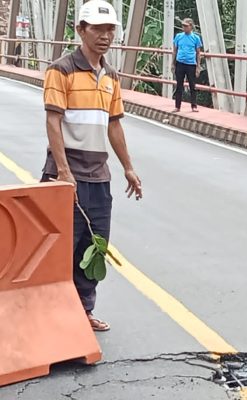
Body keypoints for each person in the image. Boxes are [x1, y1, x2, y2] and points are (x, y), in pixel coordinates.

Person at [41, 0, 143, 332]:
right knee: (59, 250)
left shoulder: (111, 76)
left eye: (110, 29)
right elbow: (53, 120)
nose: (105, 36)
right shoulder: (61, 70)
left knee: (95, 246)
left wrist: (128, 167)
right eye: (97, 29)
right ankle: (52, 315)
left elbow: (114, 125)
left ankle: (82, 312)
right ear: (80, 30)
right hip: (66, 172)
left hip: (99, 175)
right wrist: (63, 172)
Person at [172, 18, 203, 112]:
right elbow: (175, 50)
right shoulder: (178, 36)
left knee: (192, 86)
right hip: (180, 63)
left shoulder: (196, 38)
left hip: (191, 64)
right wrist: (173, 64)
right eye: (183, 26)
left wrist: (198, 66)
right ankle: (177, 106)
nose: (184, 28)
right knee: (179, 86)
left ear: (191, 27)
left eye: (186, 26)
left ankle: (194, 106)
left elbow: (198, 53)